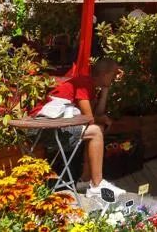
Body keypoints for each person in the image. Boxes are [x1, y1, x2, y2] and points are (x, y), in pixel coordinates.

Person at [34, 58, 122, 197]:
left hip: (56, 127)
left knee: (96, 129)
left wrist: (105, 91)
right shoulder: (84, 83)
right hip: (42, 128)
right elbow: (89, 118)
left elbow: (95, 115)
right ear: (105, 74)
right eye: (114, 74)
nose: (116, 78)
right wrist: (99, 119)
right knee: (96, 131)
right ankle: (97, 184)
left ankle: (85, 180)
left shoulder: (91, 86)